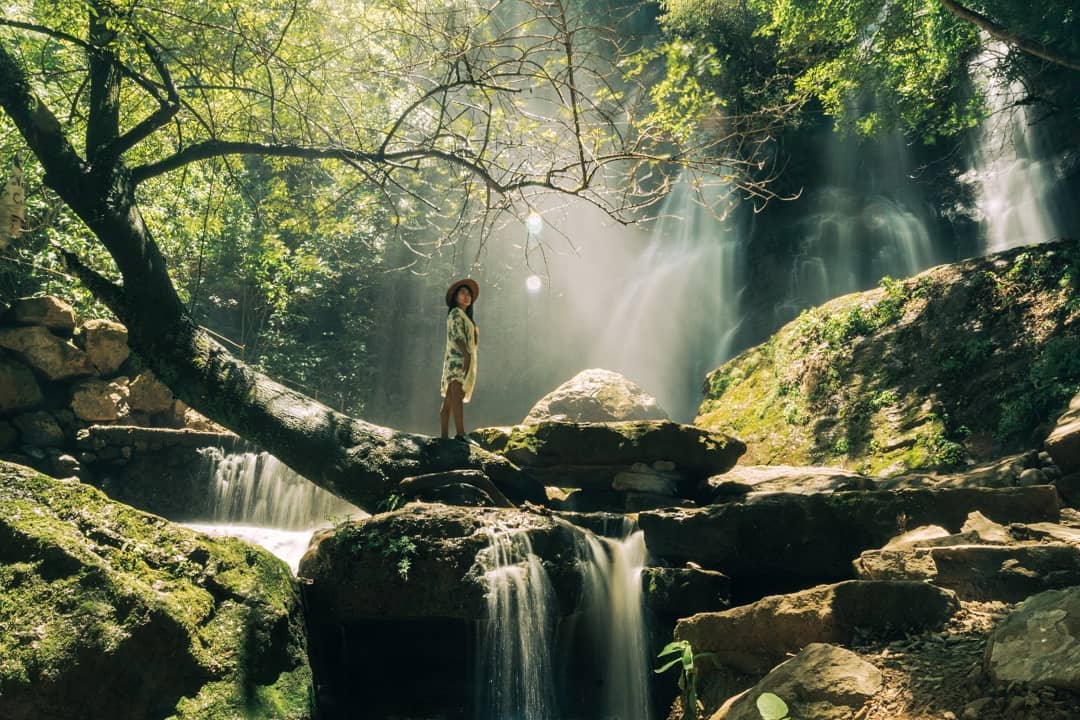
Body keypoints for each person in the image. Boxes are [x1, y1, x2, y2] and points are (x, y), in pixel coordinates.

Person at [440, 278, 480, 441]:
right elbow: (457, 335)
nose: (467, 296)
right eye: (463, 293)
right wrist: (466, 355)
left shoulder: (465, 317)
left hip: (459, 358)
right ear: (455, 296)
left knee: (449, 399)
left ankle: (444, 437)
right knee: (456, 396)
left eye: (469, 294)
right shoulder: (456, 313)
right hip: (457, 359)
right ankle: (460, 434)